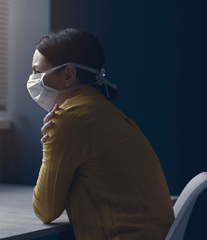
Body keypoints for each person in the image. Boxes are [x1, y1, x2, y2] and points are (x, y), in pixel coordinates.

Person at [26, 28, 175, 240]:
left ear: (69, 75)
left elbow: (44, 209)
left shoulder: (70, 117)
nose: (32, 79)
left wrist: (49, 145)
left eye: (37, 72)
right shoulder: (102, 111)